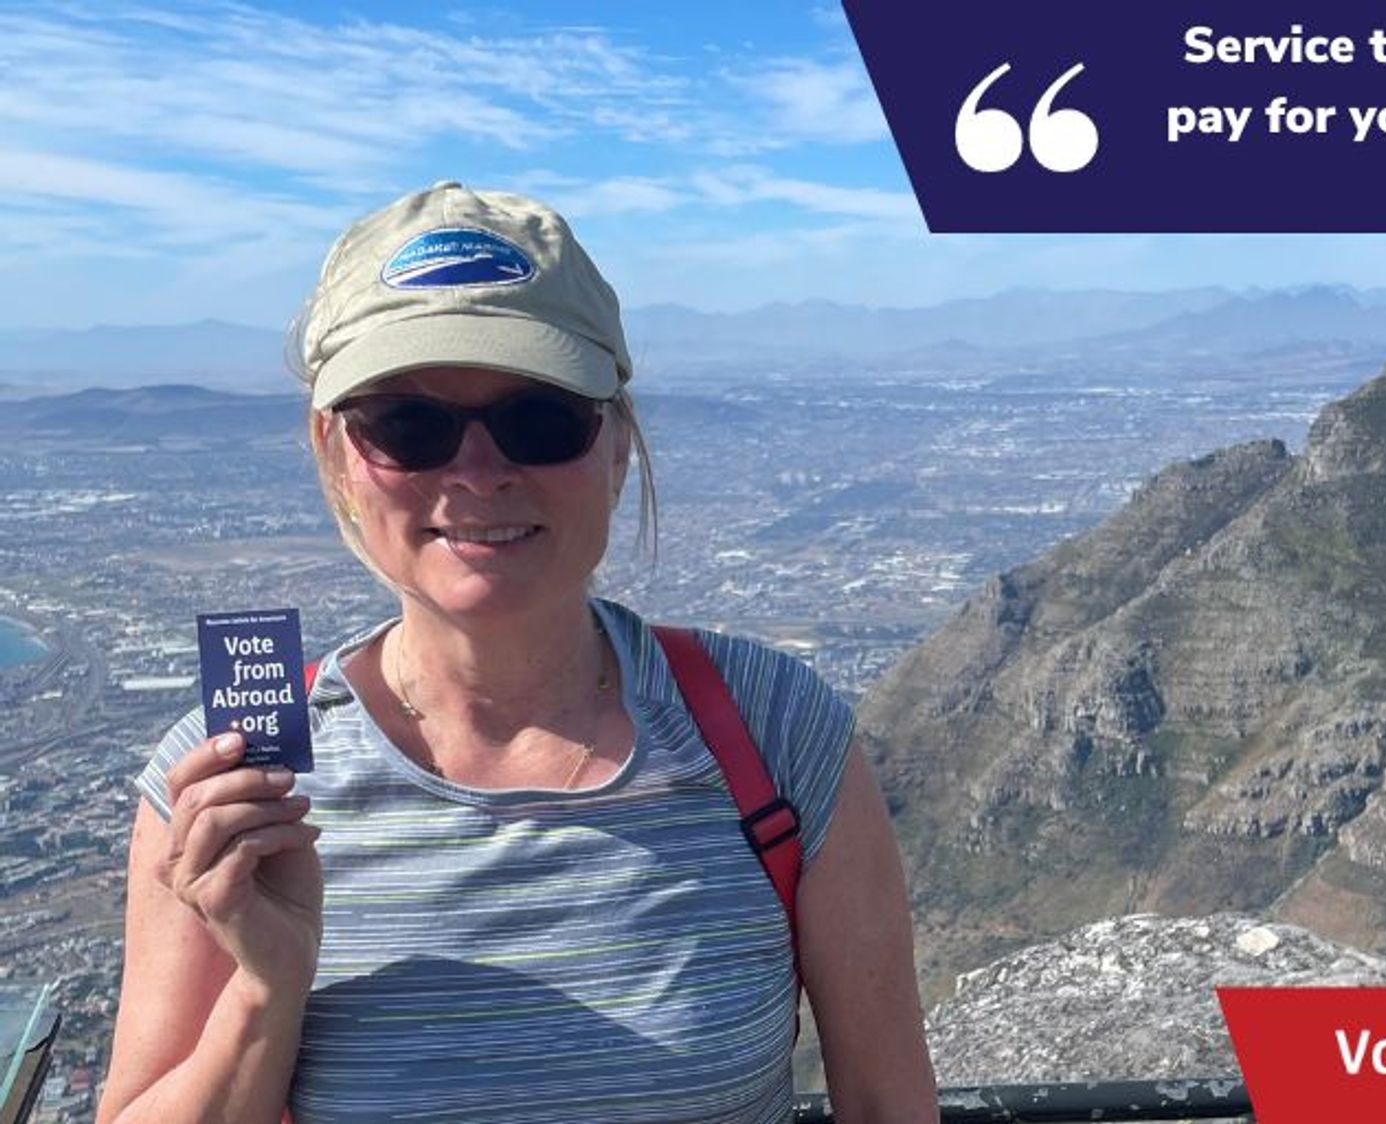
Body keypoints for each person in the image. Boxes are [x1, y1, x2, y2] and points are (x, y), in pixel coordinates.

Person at [98, 182, 937, 1123]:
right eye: (408, 426)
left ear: (617, 444)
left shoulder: (772, 732)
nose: (478, 472)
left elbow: (885, 1101)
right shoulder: (227, 780)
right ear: (334, 453)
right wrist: (263, 992)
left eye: (540, 419)